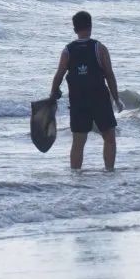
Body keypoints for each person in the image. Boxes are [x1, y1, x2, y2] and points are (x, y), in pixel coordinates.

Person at [49, 11, 123, 170]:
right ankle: (109, 171)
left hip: (78, 101)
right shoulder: (100, 48)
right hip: (99, 100)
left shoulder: (67, 51)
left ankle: (75, 176)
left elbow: (59, 75)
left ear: (75, 29)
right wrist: (116, 99)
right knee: (109, 137)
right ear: (90, 27)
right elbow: (109, 75)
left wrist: (52, 95)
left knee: (78, 141)